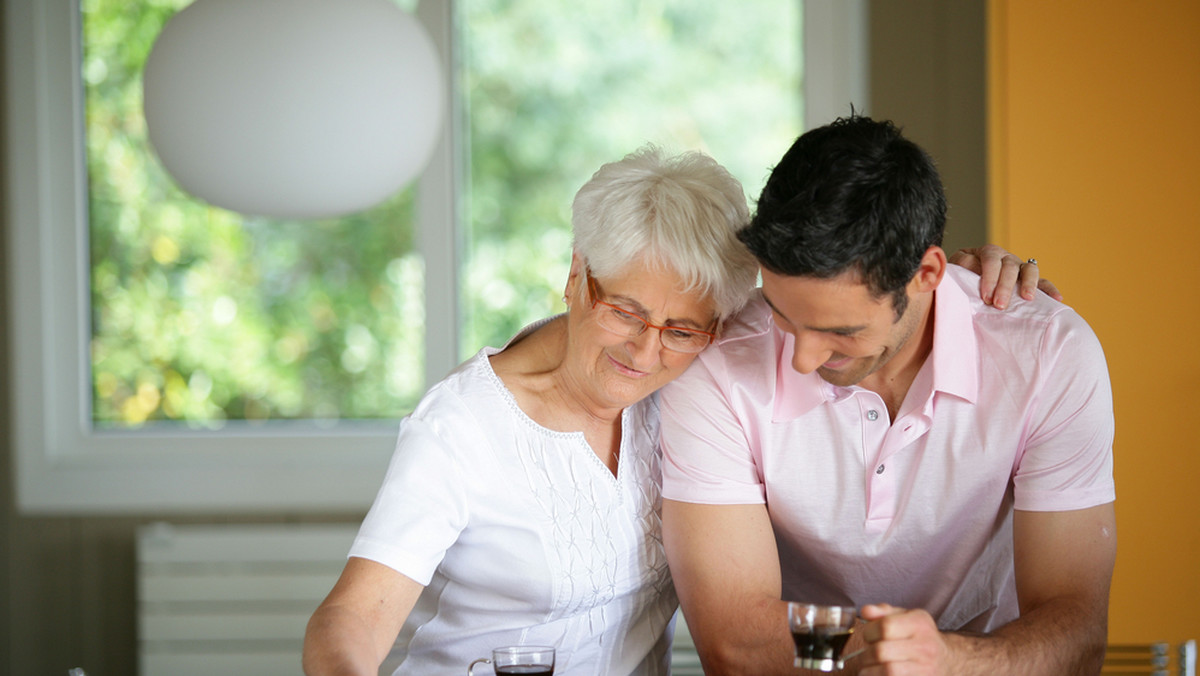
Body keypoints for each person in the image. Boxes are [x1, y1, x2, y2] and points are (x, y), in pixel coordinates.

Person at [303, 144, 1047, 676]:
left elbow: (848, 286)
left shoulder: (694, 393)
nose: (646, 350)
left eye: (683, 329)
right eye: (622, 309)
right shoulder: (464, 426)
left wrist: (955, 284)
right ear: (576, 278)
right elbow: (353, 620)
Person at [659, 116, 1115, 675]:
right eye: (783, 315)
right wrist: (900, 656)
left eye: (841, 331)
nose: (802, 359)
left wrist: (951, 662)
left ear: (927, 273)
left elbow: (1077, 630)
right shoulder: (718, 365)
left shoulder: (1048, 353)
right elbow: (735, 643)